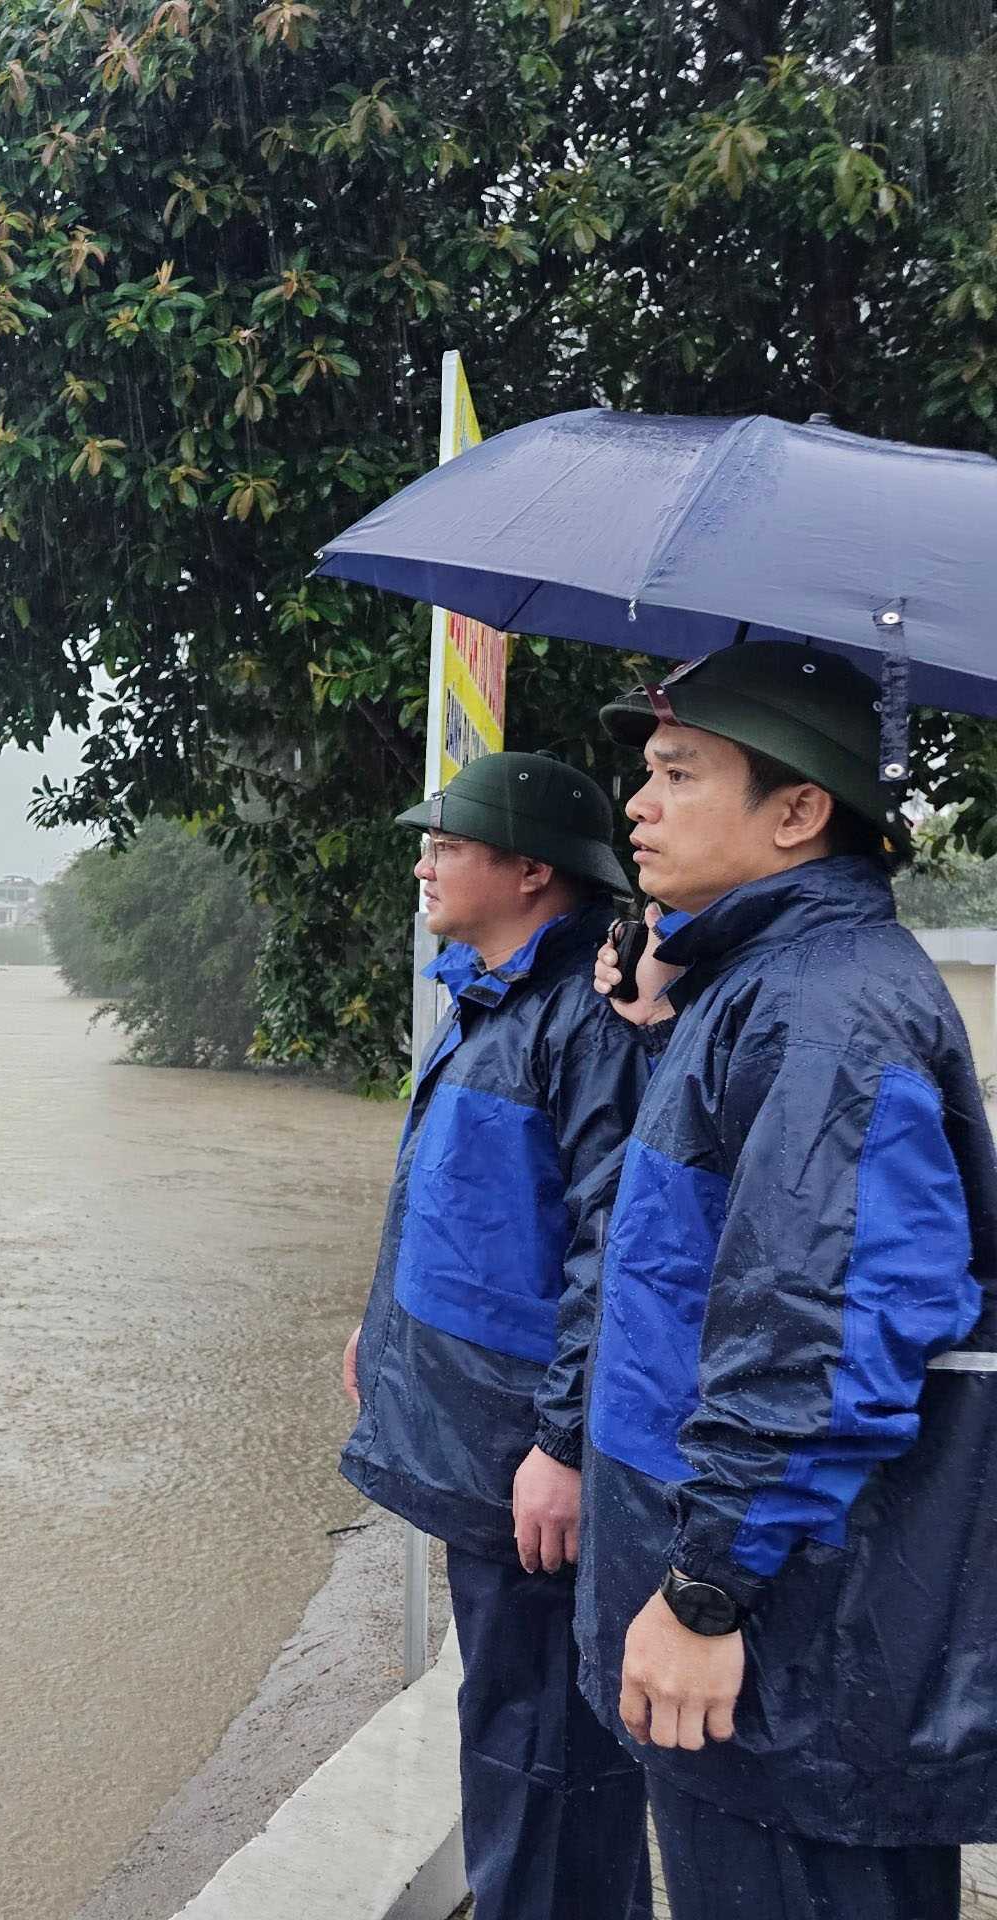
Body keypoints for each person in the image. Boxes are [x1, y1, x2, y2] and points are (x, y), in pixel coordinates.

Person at [583, 641, 997, 1920]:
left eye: (674, 772)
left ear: (799, 811)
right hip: (773, 1639)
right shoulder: (758, 987)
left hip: (795, 1651)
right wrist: (660, 1007)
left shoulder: (826, 1015)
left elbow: (815, 1340)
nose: (636, 805)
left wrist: (705, 1591)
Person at [341, 749, 654, 1920]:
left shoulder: (583, 1019)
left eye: (448, 845)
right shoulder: (488, 994)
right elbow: (459, 1203)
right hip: (482, 1445)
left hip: (527, 1462)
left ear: (530, 872)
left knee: (541, 1746)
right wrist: (373, 1329)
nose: (422, 861)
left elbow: (615, 1249)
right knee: (515, 1724)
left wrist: (565, 1446)